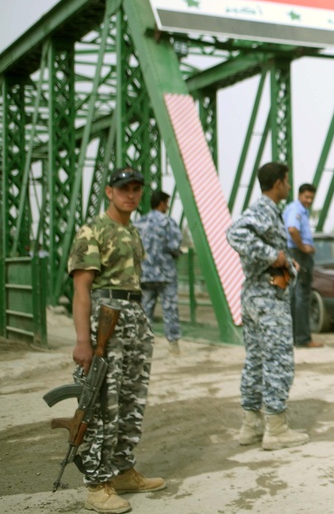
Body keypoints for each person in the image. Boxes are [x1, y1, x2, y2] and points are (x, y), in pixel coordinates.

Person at [66, 166, 165, 513]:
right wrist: (83, 340)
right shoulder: (94, 229)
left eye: (137, 189)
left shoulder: (132, 232)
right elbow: (81, 288)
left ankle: (122, 470)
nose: (131, 194)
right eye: (124, 188)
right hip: (105, 317)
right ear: (109, 192)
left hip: (133, 318)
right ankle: (96, 484)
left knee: (129, 401)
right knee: (101, 402)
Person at [226, 162, 309, 451]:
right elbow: (235, 233)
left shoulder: (268, 210)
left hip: (256, 292)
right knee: (278, 360)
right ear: (278, 184)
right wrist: (275, 256)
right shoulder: (263, 208)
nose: (288, 186)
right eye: (286, 181)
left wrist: (284, 261)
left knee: (256, 360)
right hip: (267, 297)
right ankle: (276, 428)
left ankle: (251, 425)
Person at [134, 190, 183, 355]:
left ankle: (142, 346)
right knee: (170, 309)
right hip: (165, 274)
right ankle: (173, 346)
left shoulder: (139, 223)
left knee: (145, 310)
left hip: (145, 274)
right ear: (161, 203)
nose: (167, 206)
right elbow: (175, 245)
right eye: (166, 203)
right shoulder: (168, 222)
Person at [283, 183, 322, 348]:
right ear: (299, 195)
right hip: (298, 254)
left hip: (293, 253)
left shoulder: (295, 209)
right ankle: (303, 338)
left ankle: (293, 336)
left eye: (311, 198)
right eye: (306, 197)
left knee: (293, 296)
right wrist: (303, 247)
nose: (309, 200)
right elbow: (292, 229)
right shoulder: (296, 210)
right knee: (302, 296)